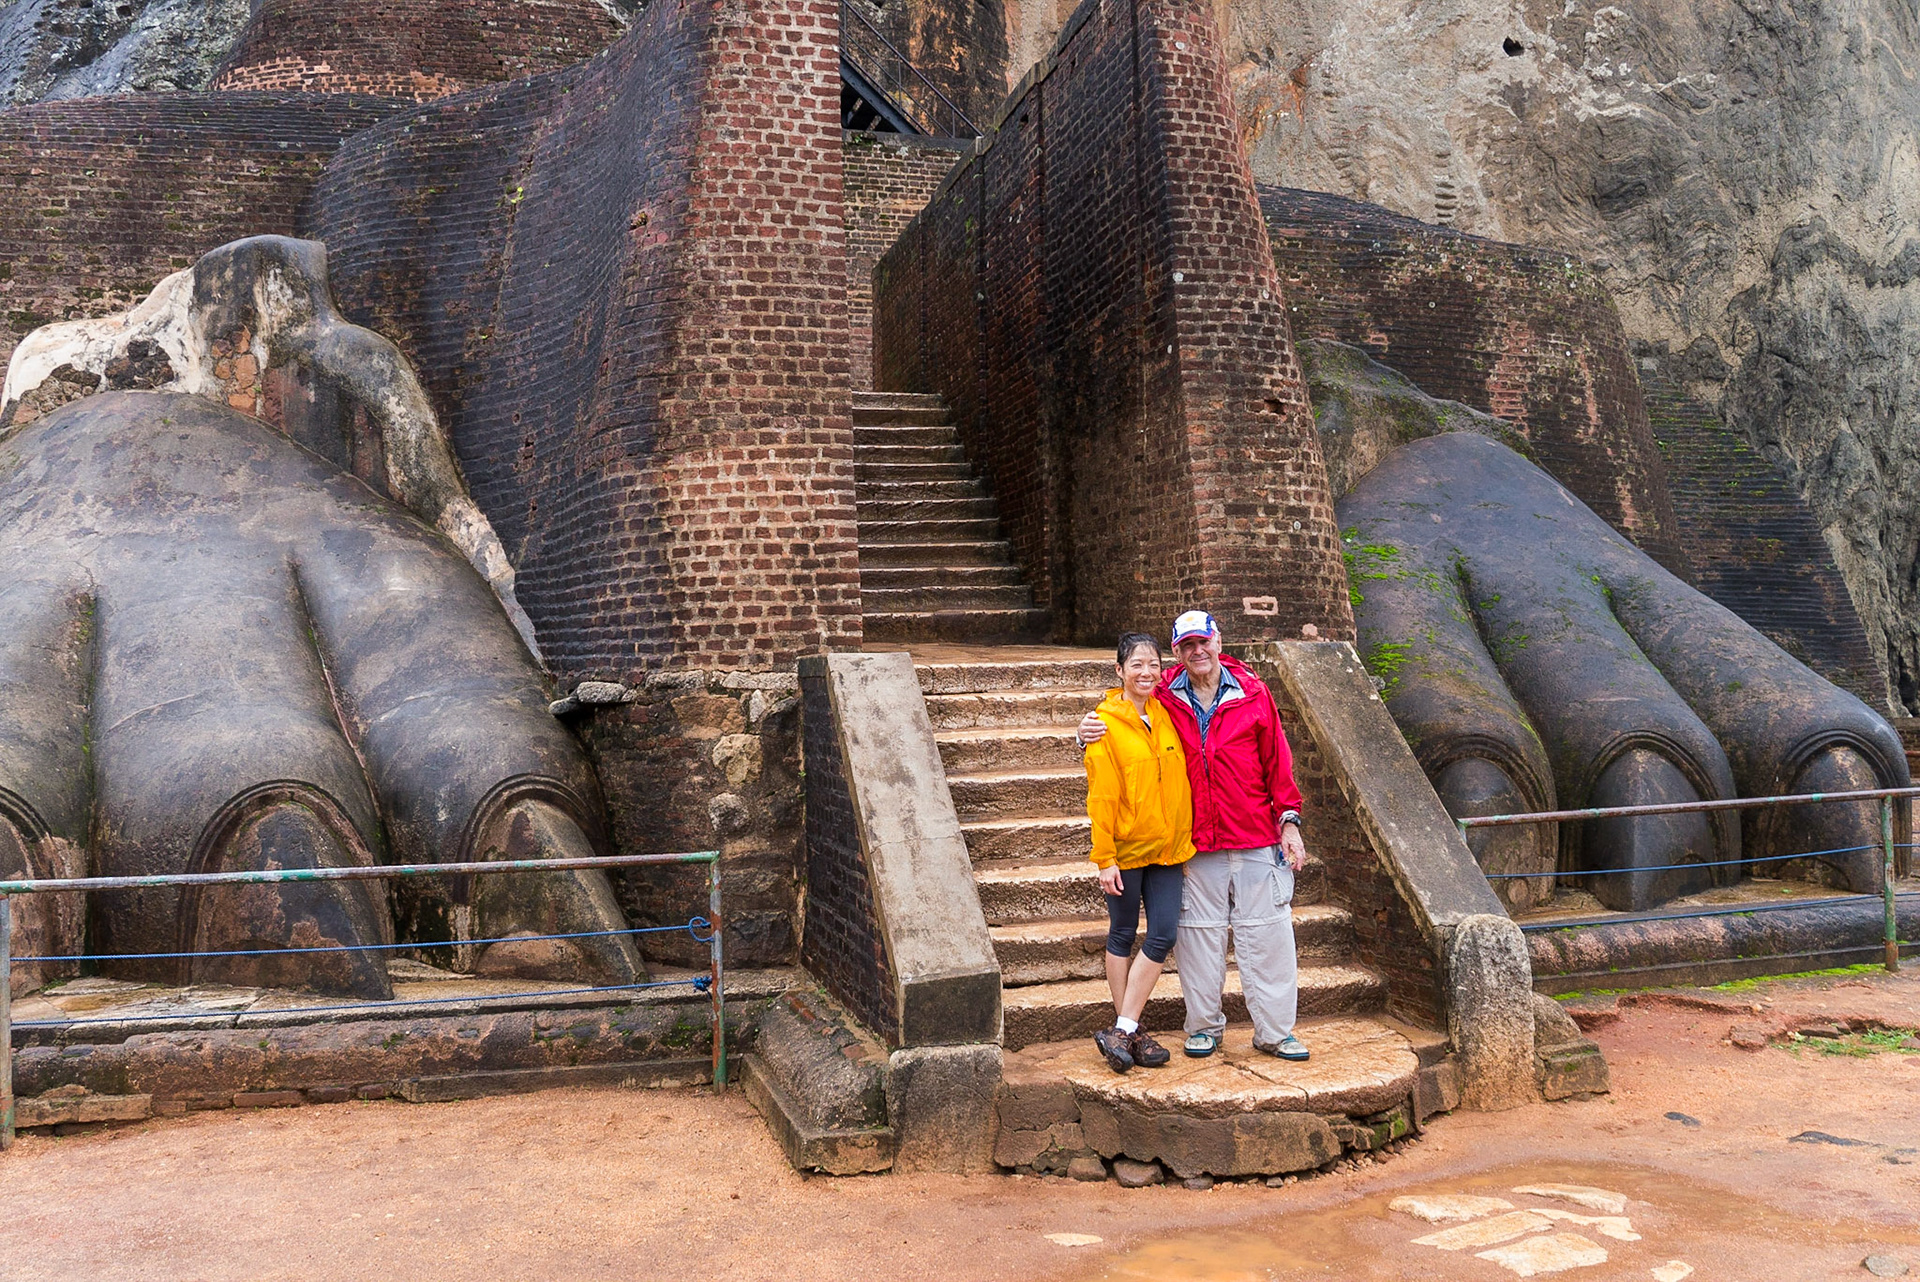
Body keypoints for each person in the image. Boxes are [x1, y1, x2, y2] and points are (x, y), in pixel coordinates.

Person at [1079, 610, 1311, 1062]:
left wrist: (1288, 822)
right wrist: (1082, 733)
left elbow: (1277, 763)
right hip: (1197, 843)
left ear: (1218, 642)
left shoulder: (1253, 694)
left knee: (1267, 937)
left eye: (1203, 642)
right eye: (1186, 646)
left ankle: (1276, 1031)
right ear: (1177, 655)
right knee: (1198, 941)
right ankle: (1204, 1026)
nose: (1197, 651)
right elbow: (1125, 713)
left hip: (1253, 835)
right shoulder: (1166, 696)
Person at [1082, 631, 1197, 1074]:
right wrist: (1104, 858)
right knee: (1123, 931)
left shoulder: (1168, 715)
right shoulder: (1104, 724)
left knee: (1164, 932)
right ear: (1119, 671)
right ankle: (1131, 1028)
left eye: (1154, 665)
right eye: (1137, 665)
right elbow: (1103, 796)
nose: (1146, 672)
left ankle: (1123, 1030)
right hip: (1126, 852)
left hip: (1167, 849)